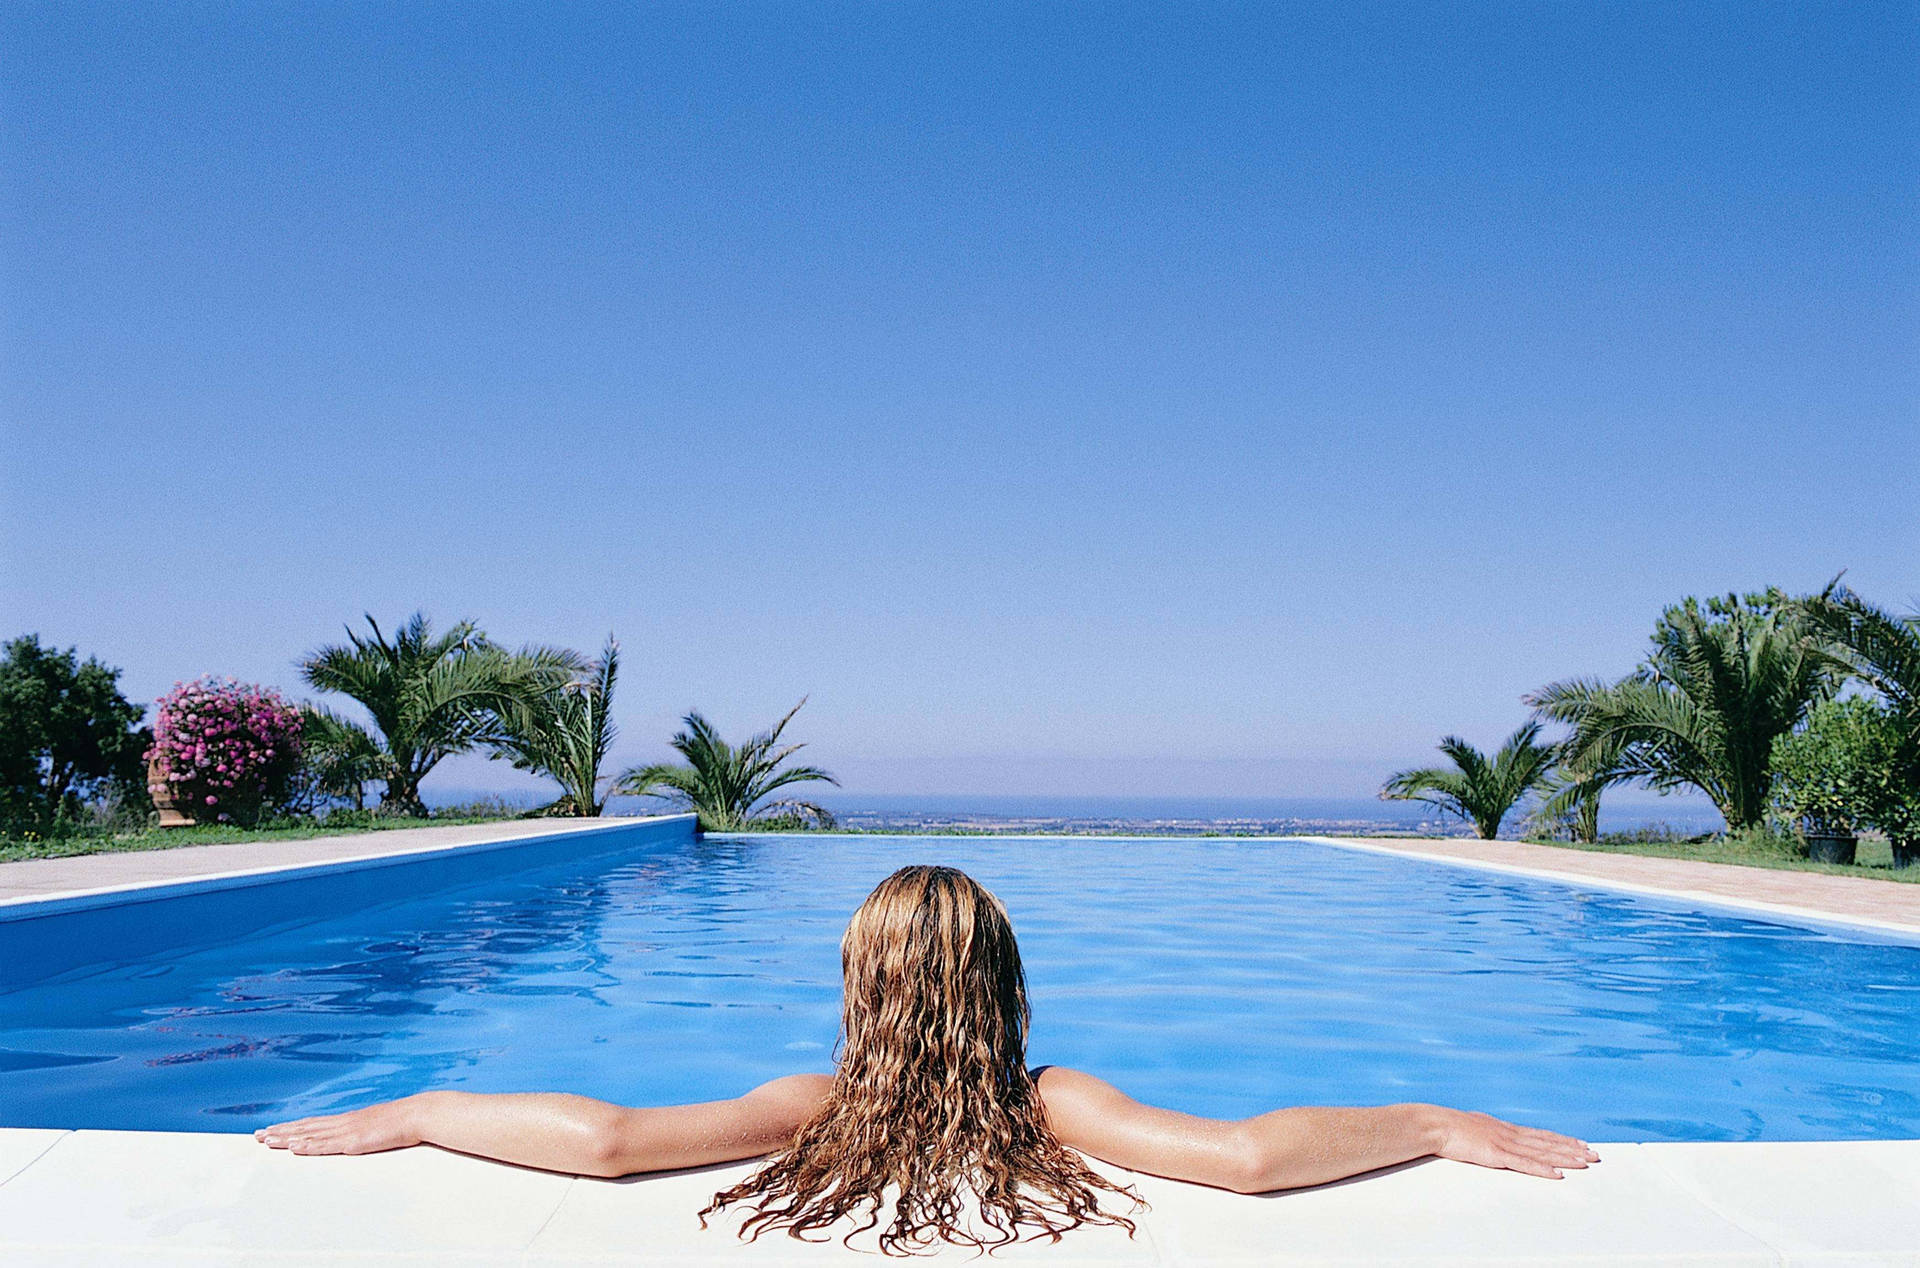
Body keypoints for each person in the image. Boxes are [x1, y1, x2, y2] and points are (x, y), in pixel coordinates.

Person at [256, 865, 1598, 1252]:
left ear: (861, 992)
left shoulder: (810, 1104)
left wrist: (431, 1107)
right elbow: (1246, 1162)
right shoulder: (1056, 1102)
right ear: (1007, 992)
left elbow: (608, 1143)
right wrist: (1426, 1119)